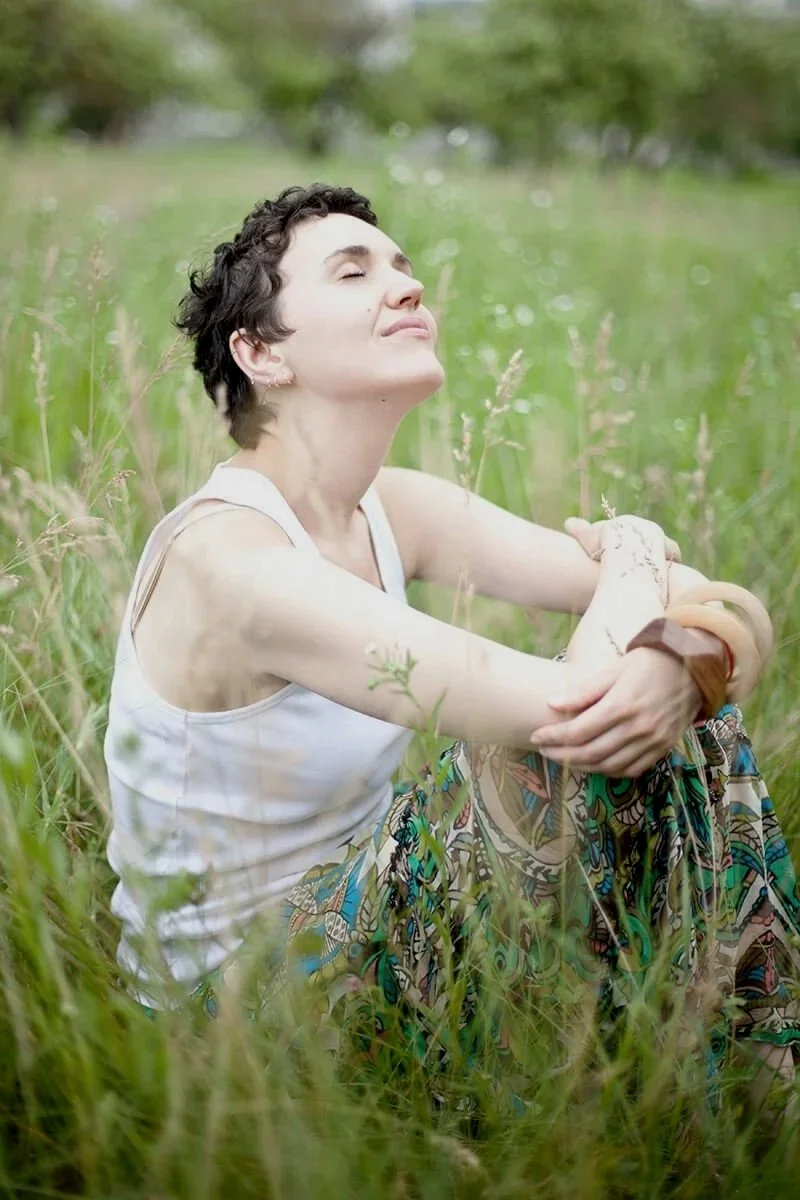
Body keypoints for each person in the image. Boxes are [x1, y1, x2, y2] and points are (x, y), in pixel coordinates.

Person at [104, 183, 799, 1090]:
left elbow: (720, 601)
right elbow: (572, 712)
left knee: (671, 699)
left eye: (401, 266)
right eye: (354, 272)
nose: (406, 286)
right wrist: (634, 554)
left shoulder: (390, 507)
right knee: (555, 748)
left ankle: (750, 1071)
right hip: (229, 1018)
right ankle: (711, 1074)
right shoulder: (231, 560)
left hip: (360, 920)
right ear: (260, 351)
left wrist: (691, 658)